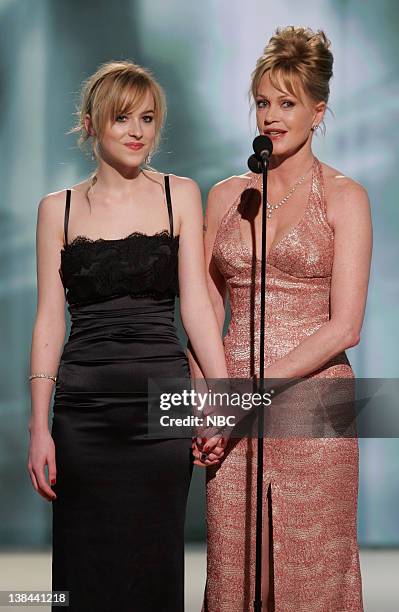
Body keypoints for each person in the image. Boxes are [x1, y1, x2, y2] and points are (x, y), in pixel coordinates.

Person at [27, 60, 227, 612]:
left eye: (147, 118)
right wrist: (39, 428)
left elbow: (197, 308)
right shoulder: (56, 210)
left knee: (154, 562)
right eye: (122, 118)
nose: (138, 131)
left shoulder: (179, 195)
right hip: (82, 413)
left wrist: (220, 397)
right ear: (90, 124)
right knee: (81, 568)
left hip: (162, 408)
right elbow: (49, 320)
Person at [190, 26, 372, 611]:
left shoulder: (346, 197)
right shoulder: (226, 197)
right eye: (264, 102)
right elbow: (203, 308)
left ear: (319, 111)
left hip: (316, 407)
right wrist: (205, 401)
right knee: (237, 573)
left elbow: (346, 325)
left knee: (306, 577)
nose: (271, 116)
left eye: (287, 103)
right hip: (229, 411)